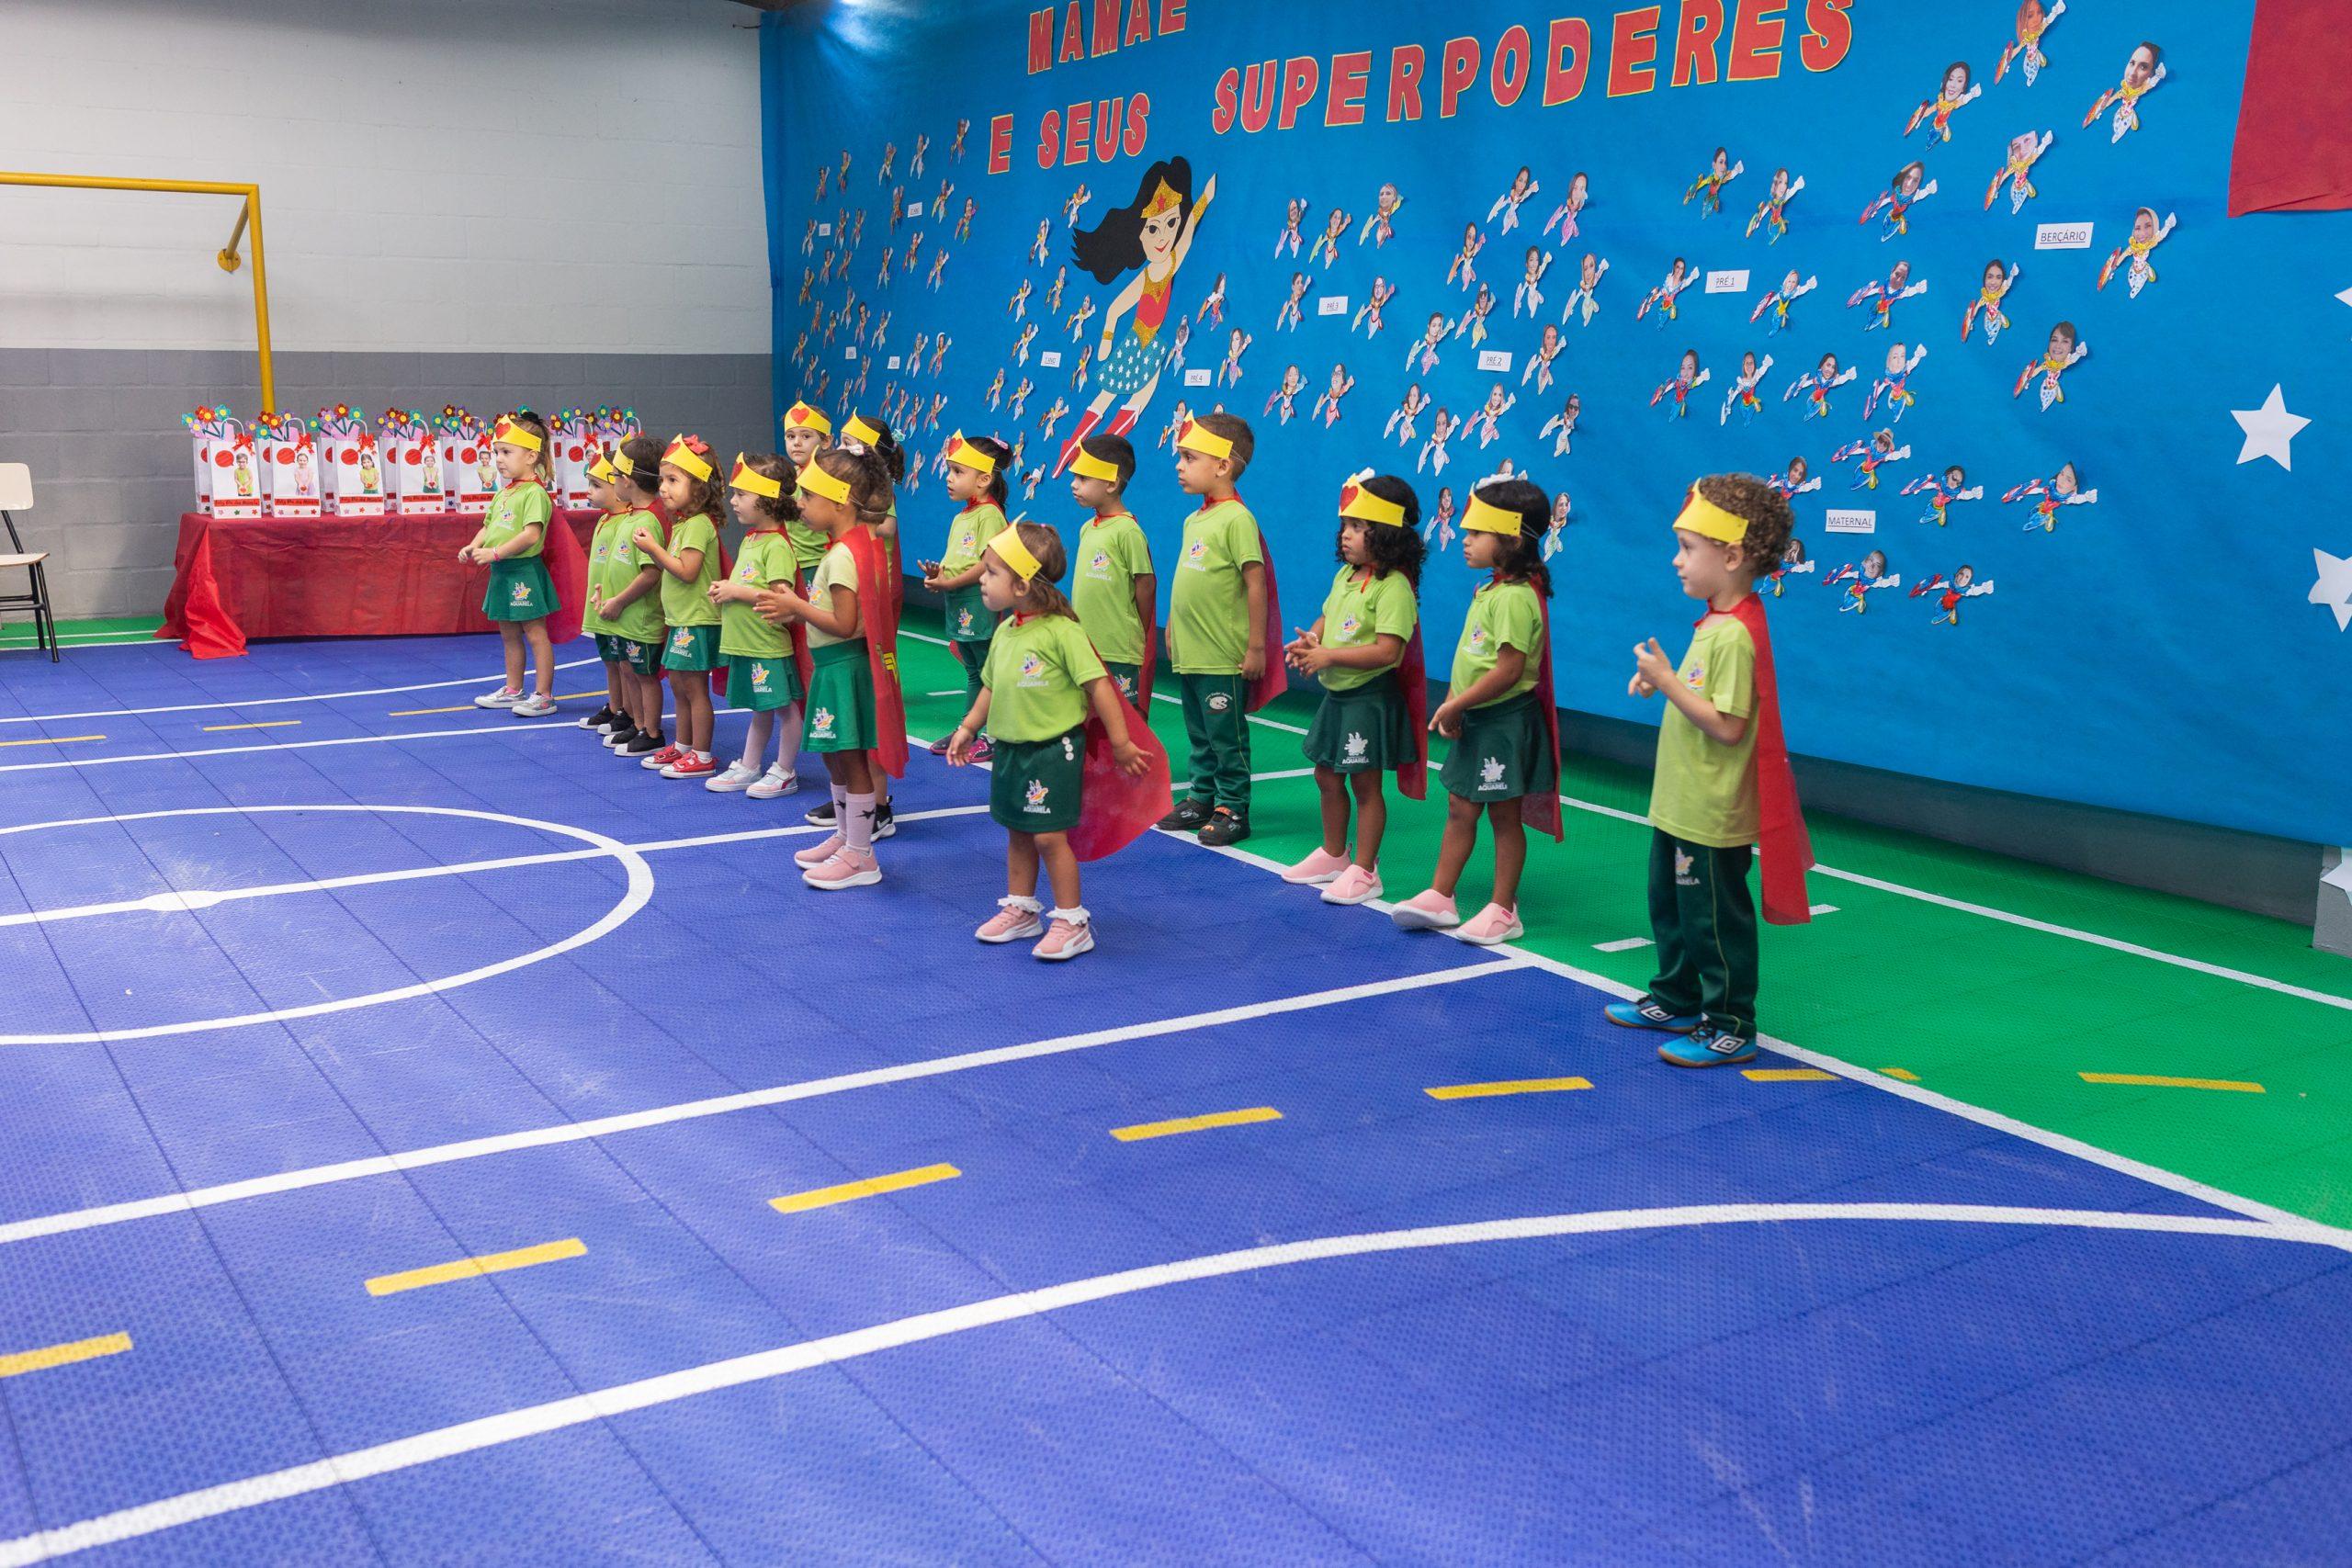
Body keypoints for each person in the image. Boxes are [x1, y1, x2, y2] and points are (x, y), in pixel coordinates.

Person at [1610, 475, 1814, 1066]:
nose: (1676, 560)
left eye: (1687, 547)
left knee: (1713, 920)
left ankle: (1730, 1023)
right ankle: (1676, 996)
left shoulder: (1735, 636)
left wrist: (1668, 682)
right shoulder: (1715, 624)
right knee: (1670, 906)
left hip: (1711, 814)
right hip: (1681, 804)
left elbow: (1728, 726)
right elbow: (1703, 697)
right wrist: (1664, 680)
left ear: (1731, 556)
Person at [948, 523, 1152, 959]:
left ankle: (1072, 920)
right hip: (1011, 750)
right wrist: (968, 727)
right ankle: (1022, 909)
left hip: (1053, 751)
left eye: (991, 572)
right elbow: (990, 687)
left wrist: (1120, 742)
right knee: (1018, 831)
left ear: (1022, 585)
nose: (982, 579)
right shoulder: (1006, 630)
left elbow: (1099, 686)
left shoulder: (1063, 631)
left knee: (1048, 837)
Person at [1391, 479, 1560, 944]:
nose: (1465, 541)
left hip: (1504, 724)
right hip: (1480, 719)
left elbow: (1509, 670)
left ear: (1512, 539)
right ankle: (1441, 895)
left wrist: (1456, 703)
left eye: (1477, 533)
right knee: (1460, 806)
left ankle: (1504, 909)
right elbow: (1475, 659)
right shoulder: (1490, 590)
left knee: (1504, 816)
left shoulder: (1516, 597)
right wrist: (1458, 704)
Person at [1281, 471, 1426, 907]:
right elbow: (1328, 618)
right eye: (1345, 524)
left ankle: (1365, 870)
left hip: (1369, 699)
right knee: (1326, 774)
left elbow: (1388, 652)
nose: (1346, 534)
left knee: (1365, 785)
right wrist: (1313, 641)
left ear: (1386, 533)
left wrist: (1329, 657)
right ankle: (1333, 854)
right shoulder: (1347, 575)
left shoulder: (1394, 587)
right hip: (1339, 697)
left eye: (1358, 526)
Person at [774, 447, 910, 888]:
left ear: (840, 501)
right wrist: (795, 609)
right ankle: (845, 836)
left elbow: (846, 624)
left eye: (808, 496)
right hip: (833, 667)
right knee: (834, 757)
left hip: (845, 668)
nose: (799, 504)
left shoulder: (843, 556)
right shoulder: (850, 547)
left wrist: (797, 606)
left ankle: (861, 855)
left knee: (851, 760)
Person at [1157, 412, 1279, 847]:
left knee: (1227, 737)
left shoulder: (1237, 519)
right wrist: (1172, 625)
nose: (1179, 466)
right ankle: (1201, 797)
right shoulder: (1195, 520)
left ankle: (1233, 807)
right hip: (1192, 651)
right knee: (1199, 734)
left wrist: (1256, 647)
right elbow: (1188, 581)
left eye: (1189, 457)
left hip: (1222, 656)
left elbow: (1256, 582)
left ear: (1223, 465)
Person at [707, 453, 808, 796]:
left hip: (768, 645)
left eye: (741, 494)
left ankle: (785, 771)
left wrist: (736, 591)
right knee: (761, 709)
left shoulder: (777, 545)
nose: (733, 501)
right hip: (748, 644)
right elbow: (751, 586)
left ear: (768, 499)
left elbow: (782, 596)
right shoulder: (752, 538)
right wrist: (727, 589)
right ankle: (750, 765)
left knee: (785, 709)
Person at [919, 434, 1012, 761]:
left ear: (984, 479)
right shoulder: (962, 517)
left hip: (979, 600)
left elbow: (987, 563)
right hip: (959, 602)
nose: (949, 478)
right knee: (974, 669)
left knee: (988, 670)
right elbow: (957, 559)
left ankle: (996, 735)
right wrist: (938, 576)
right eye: (950, 470)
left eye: (958, 471)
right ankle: (967, 730)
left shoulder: (990, 515)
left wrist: (950, 583)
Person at [638, 435, 727, 778]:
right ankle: (684, 745)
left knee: (694, 688)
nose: (663, 487)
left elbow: (688, 572)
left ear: (699, 487)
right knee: (678, 684)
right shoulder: (684, 524)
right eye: (662, 479)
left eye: (673, 480)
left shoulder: (698, 524)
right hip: (681, 619)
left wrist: (654, 550)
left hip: (697, 620)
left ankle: (702, 755)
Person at [464, 411, 562, 716]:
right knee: (508, 634)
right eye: (497, 452)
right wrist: (474, 545)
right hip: (502, 573)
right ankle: (513, 689)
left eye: (506, 452)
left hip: (523, 573)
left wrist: (495, 553)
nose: (498, 459)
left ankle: (544, 695)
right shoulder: (504, 493)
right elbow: (488, 526)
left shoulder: (534, 493)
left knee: (535, 634)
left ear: (531, 456)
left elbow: (531, 535)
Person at [1066, 434, 1157, 706]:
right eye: (1075, 477)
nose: (1073, 484)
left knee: (1121, 717)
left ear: (1111, 483)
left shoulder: (1128, 531)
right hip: (1087, 645)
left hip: (1119, 651)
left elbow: (1146, 584)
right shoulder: (1087, 528)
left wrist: (1138, 631)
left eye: (1083, 478)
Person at [594, 439, 671, 758]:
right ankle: (638, 724)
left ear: (627, 480)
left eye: (613, 476)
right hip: (624, 617)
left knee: (645, 676)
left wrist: (621, 601)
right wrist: (606, 596)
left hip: (639, 617)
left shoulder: (646, 520)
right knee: (629, 670)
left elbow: (650, 573)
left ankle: (651, 732)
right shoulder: (629, 517)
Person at [574, 447, 633, 739]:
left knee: (625, 664)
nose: (589, 491)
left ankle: (629, 713)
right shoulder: (604, 519)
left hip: (618, 607)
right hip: (601, 605)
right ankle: (615, 705)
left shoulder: (629, 521)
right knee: (610, 661)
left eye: (596, 485)